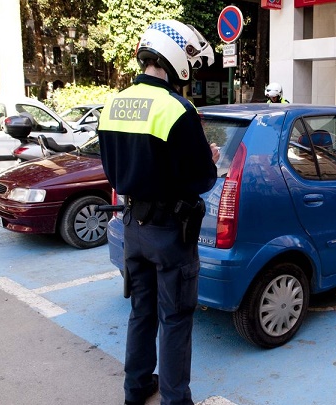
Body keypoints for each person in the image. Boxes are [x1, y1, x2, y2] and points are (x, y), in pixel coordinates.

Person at [97, 20, 220, 405]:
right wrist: (211, 159)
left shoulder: (113, 105)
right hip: (170, 232)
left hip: (132, 224)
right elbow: (201, 178)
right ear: (175, 57)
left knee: (141, 312)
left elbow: (113, 166)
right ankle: (175, 400)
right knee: (176, 318)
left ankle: (135, 390)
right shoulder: (177, 109)